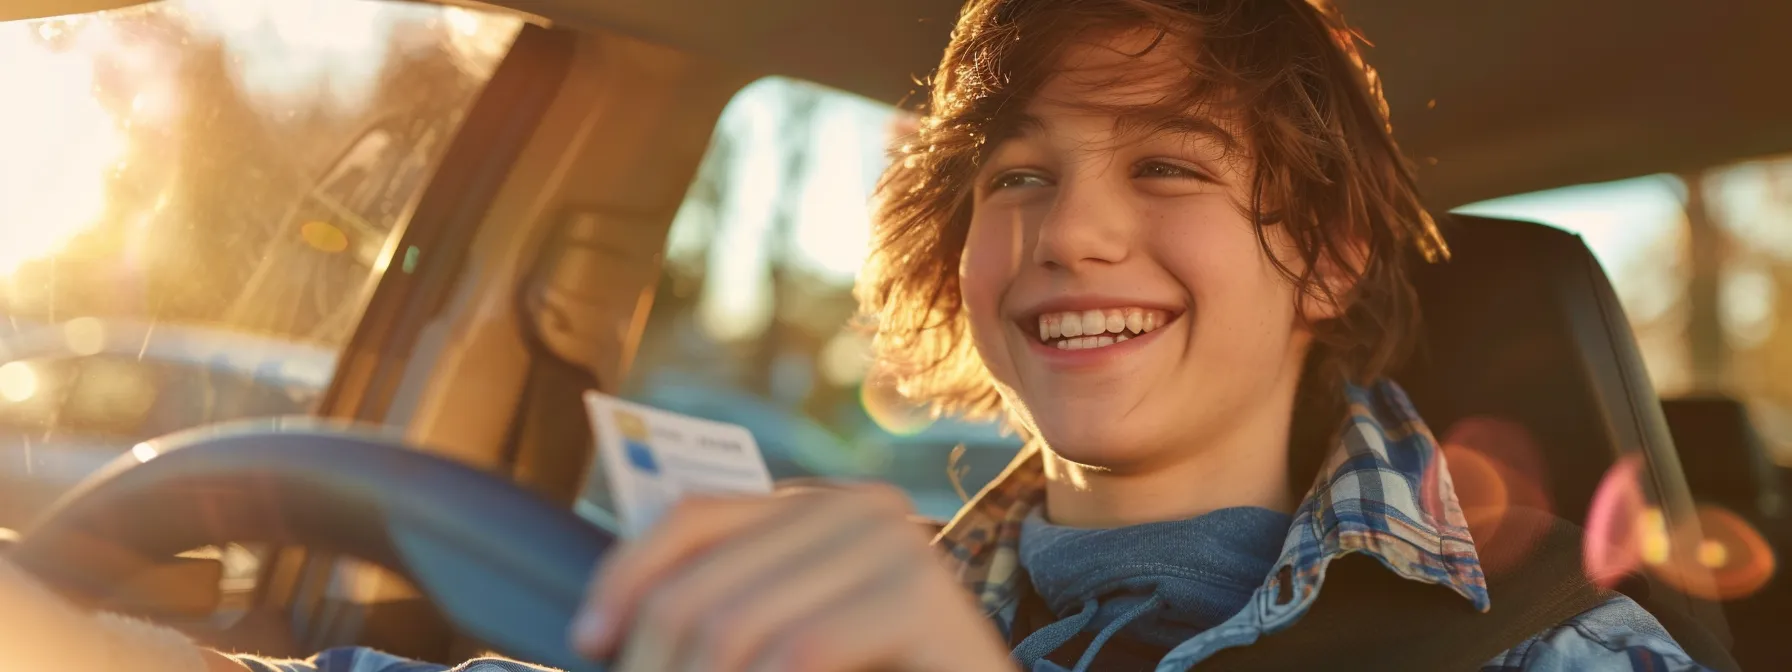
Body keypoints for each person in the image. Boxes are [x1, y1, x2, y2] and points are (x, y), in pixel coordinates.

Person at [0, 0, 1713, 670]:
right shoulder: (857, 597)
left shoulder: (1559, 651)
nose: (1070, 229)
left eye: (1172, 166)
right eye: (1015, 175)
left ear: (1329, 255)